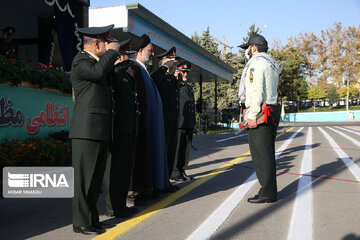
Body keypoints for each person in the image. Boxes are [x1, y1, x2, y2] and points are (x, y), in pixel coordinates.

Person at [69, 24, 120, 235]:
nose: (109, 46)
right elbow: (97, 73)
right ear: (97, 43)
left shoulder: (98, 63)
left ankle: (92, 219)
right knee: (84, 181)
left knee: (95, 180)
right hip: (86, 131)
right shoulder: (81, 60)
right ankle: (80, 222)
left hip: (98, 130)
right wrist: (111, 54)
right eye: (105, 42)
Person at [131, 34, 177, 202]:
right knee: (142, 158)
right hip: (143, 123)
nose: (152, 54)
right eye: (150, 51)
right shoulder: (135, 68)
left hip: (151, 123)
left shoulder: (144, 70)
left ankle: (151, 187)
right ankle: (141, 191)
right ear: (140, 50)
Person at [238, 33, 282, 203]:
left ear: (253, 48)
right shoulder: (271, 63)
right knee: (267, 153)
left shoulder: (256, 64)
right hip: (271, 110)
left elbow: (256, 90)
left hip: (260, 112)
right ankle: (269, 190)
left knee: (261, 155)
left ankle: (267, 192)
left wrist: (253, 114)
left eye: (248, 48)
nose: (247, 51)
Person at [103, 37, 140, 218]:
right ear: (121, 56)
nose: (131, 60)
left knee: (125, 169)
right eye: (129, 56)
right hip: (118, 129)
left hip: (128, 129)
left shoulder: (126, 76)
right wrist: (119, 64)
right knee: (115, 170)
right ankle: (112, 206)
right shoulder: (116, 73)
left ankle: (121, 204)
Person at [151, 47, 180, 180]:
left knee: (171, 152)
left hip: (173, 121)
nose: (174, 64)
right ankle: (160, 181)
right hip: (163, 121)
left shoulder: (173, 79)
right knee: (162, 153)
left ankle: (167, 181)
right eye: (171, 61)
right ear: (164, 62)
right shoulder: (160, 76)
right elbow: (153, 81)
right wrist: (164, 68)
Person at [171, 61, 196, 182]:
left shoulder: (188, 87)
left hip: (188, 123)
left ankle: (182, 170)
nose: (185, 74)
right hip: (179, 123)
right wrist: (175, 77)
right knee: (177, 150)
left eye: (186, 72)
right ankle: (175, 173)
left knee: (185, 150)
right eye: (183, 71)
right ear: (178, 72)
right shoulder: (175, 85)